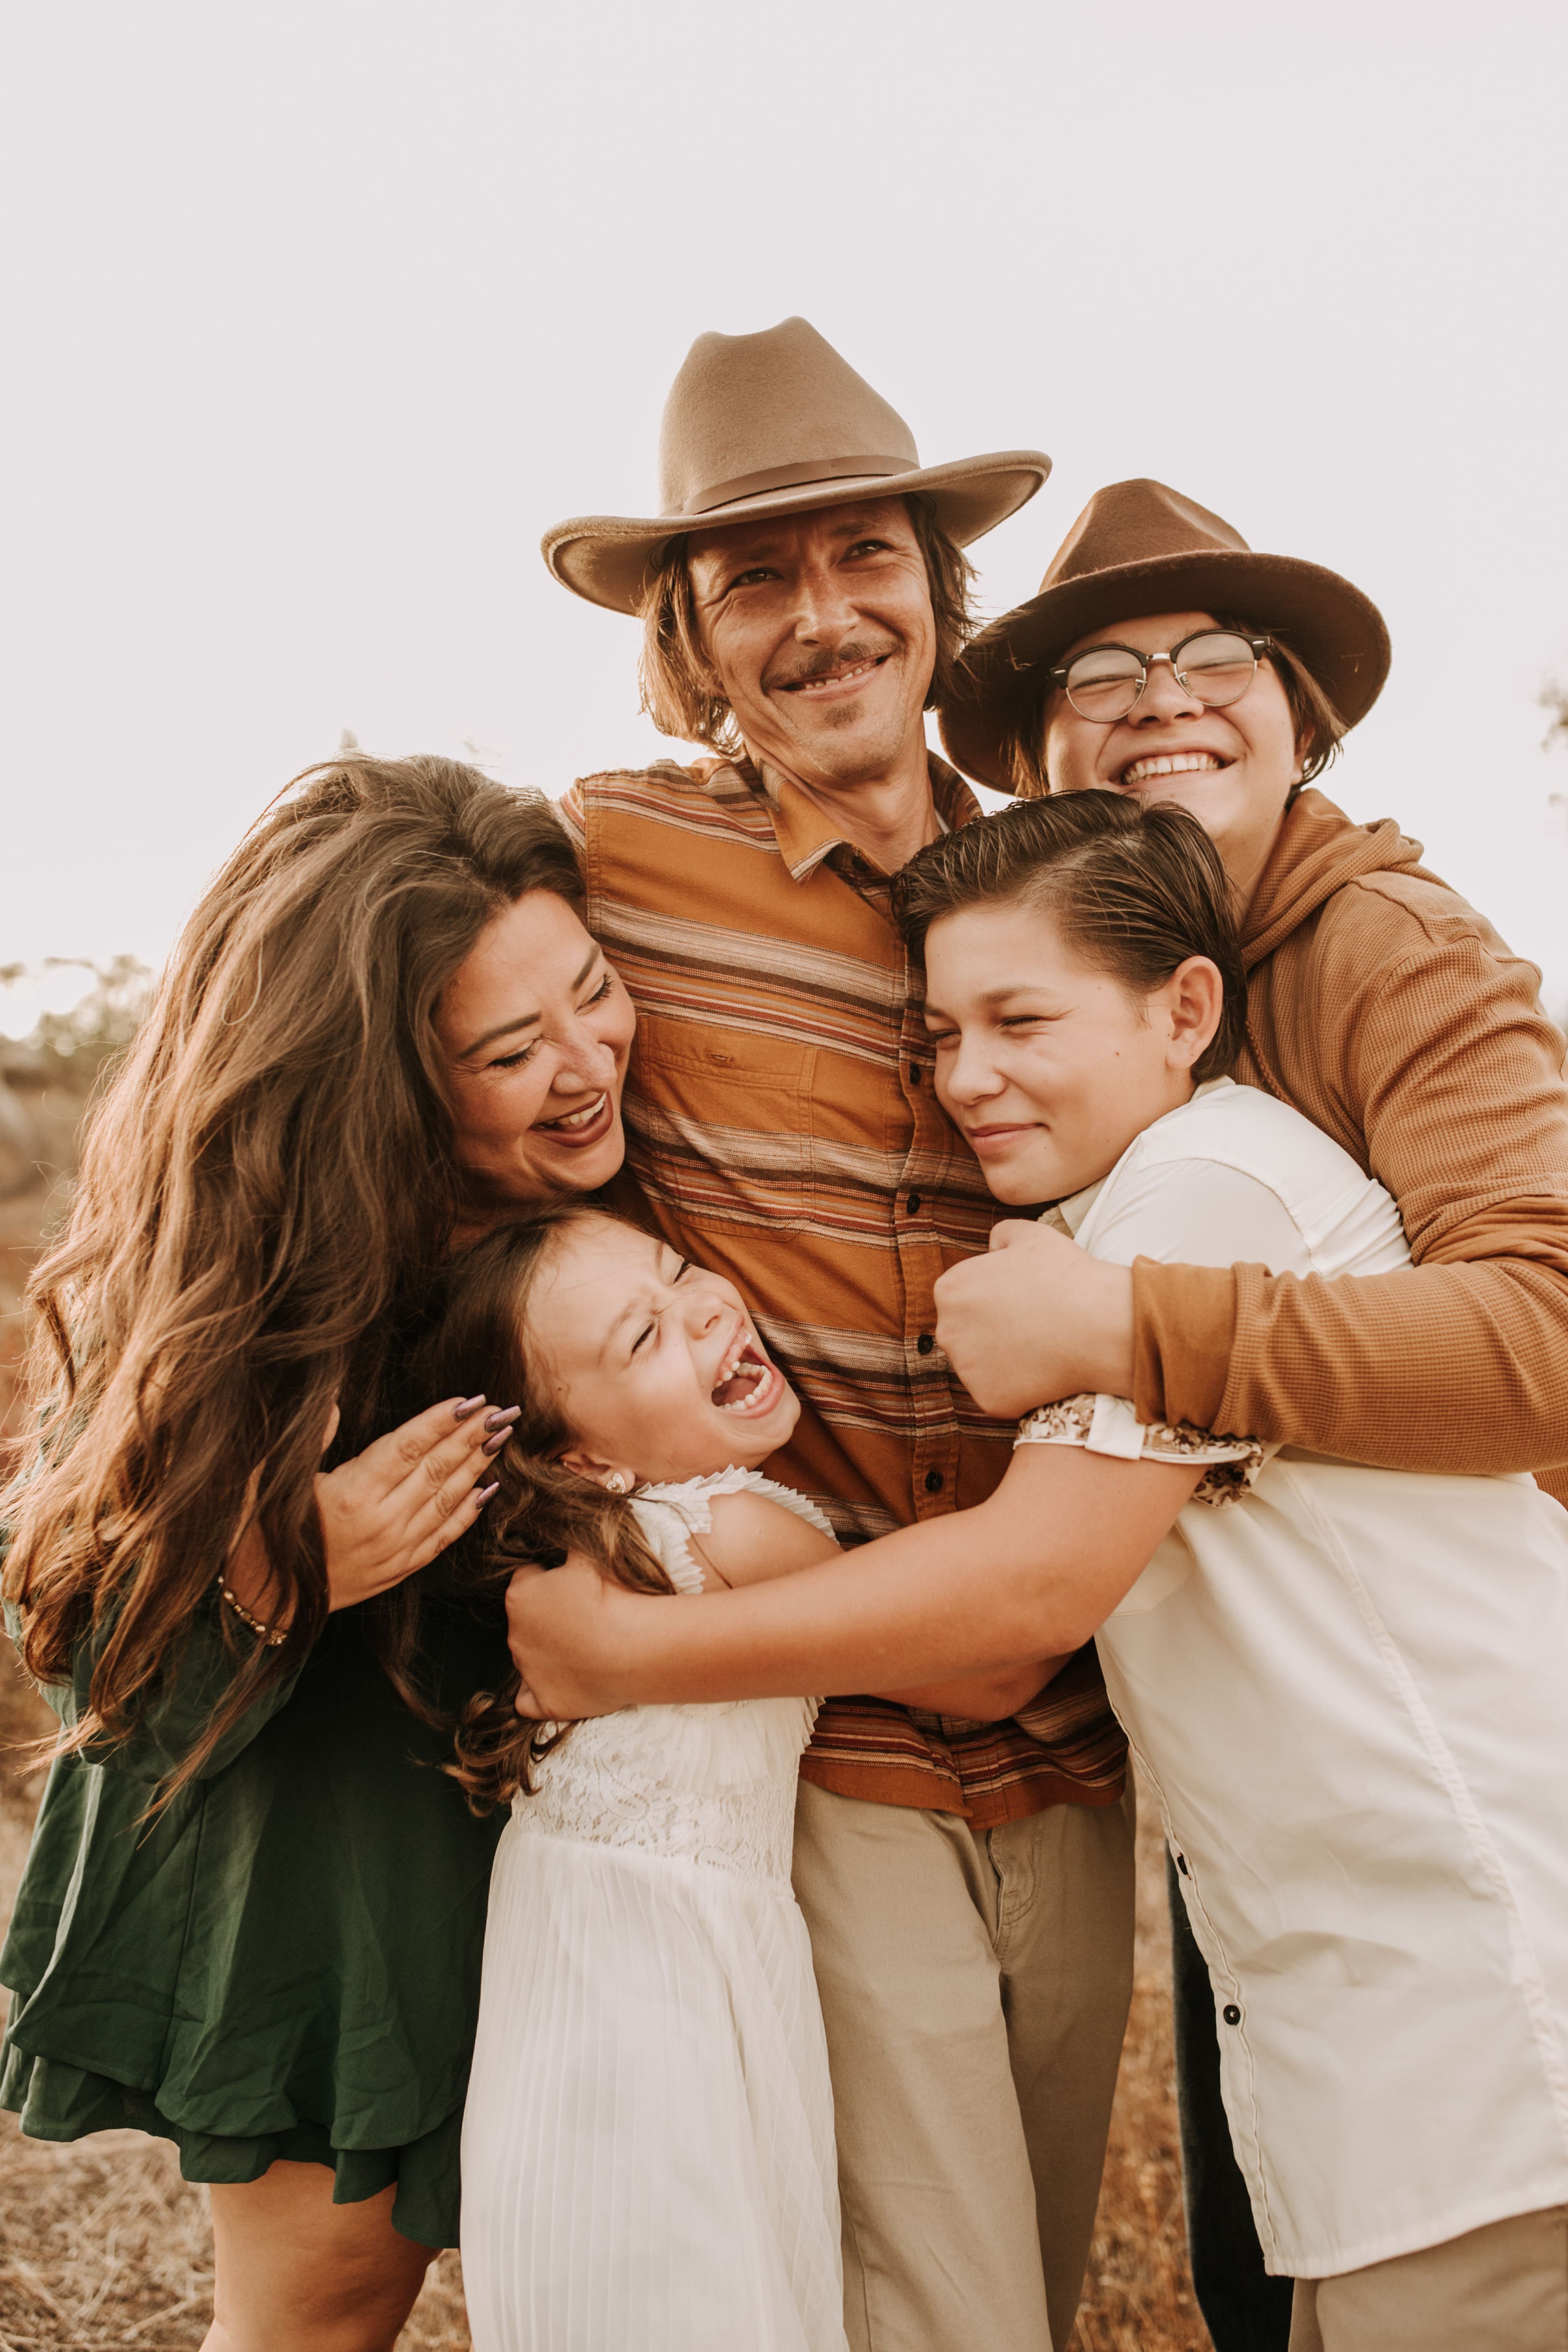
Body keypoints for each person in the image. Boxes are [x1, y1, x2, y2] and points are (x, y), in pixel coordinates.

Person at [504, 789, 1568, 2352]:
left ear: (1183, 1007)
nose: (970, 1078)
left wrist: (620, 1656)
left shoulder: (1205, 1195)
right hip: (1408, 2024)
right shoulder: (1111, 1217)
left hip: (1480, 2001)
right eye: (942, 1034)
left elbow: (1025, 1603)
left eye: (1021, 1019)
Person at [922, 477, 1568, 2348]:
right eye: (1100, 679)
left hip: (1456, 1804)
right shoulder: (1107, 1001)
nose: (1163, 696)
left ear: (1308, 722)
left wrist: (1129, 1324)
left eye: (1219, 659)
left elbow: (1544, 1338)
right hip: (1297, 1785)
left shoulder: (1386, 948)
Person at [541, 315, 1126, 2351]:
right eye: (753, 582)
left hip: (1088, 1740)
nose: (823, 618)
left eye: (864, 556)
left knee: (1030, 2284)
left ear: (937, 588)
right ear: (690, 647)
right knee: (942, 2316)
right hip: (832, 1728)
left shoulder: (1071, 883)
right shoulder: (614, 864)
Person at [0, 754, 637, 2352]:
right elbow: (79, 1629)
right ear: (384, 1084)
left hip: (581, 1846)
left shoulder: (599, 1208)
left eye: (595, 992)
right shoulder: (251, 1267)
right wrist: (283, 1570)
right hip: (324, 1860)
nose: (587, 1063)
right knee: (323, 2316)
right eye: (509, 1049)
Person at [409, 1209, 1058, 2352]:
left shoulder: (600, 1549)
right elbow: (972, 1658)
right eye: (644, 1337)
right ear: (584, 1460)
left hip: (566, 1967)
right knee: (710, 2258)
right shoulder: (735, 1531)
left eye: (676, 1272)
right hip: (673, 1975)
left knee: (610, 2272)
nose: (703, 1307)